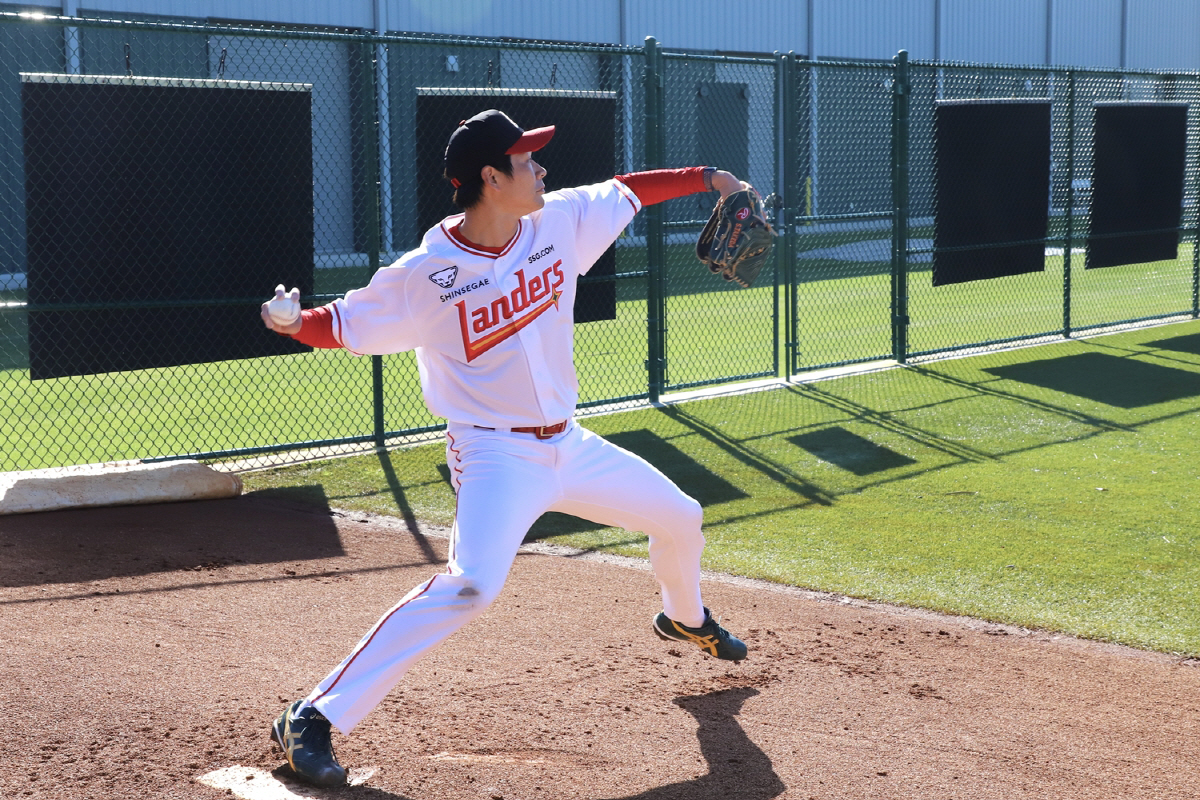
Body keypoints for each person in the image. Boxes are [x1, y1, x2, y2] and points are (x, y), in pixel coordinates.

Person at [261, 108, 754, 788]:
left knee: (681, 514)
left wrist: (707, 178)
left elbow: (629, 189)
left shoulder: (557, 222)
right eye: (528, 160)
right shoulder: (427, 273)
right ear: (491, 178)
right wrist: (291, 323)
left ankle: (684, 617)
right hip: (496, 456)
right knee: (470, 586)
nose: (543, 168)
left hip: (571, 446)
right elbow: (342, 322)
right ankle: (312, 715)